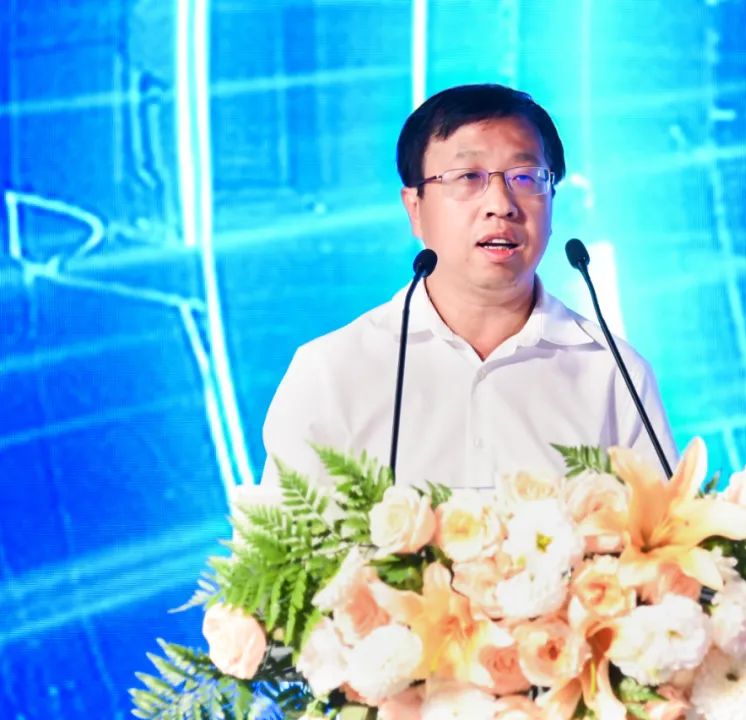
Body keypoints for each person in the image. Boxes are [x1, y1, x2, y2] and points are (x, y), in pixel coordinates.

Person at [259, 84, 676, 491]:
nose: (501, 205)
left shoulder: (614, 372)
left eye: (526, 177)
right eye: (467, 177)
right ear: (415, 208)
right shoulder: (331, 372)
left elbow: (671, 532)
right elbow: (281, 537)